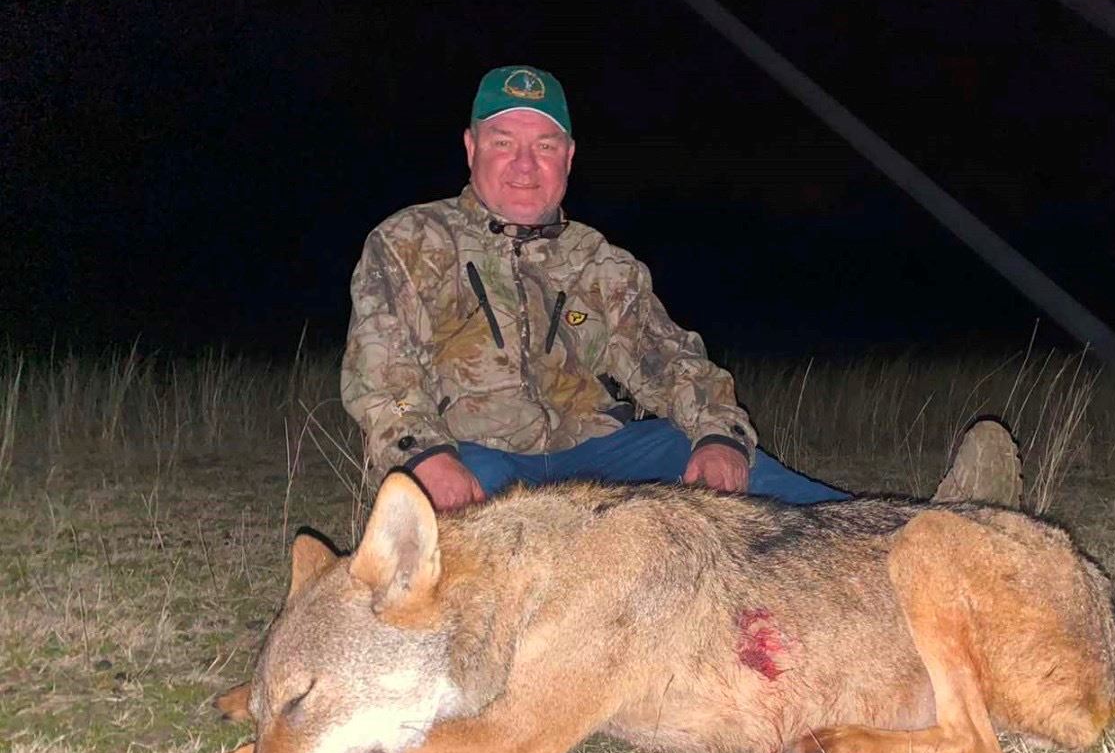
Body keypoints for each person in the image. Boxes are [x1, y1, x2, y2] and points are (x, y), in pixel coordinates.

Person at [342, 65, 1020, 511]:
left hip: (596, 451)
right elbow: (381, 378)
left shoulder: (601, 264)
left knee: (739, 478)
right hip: (474, 454)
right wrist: (425, 456)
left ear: (568, 157)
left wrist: (718, 435)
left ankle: (926, 534)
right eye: (503, 142)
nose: (525, 164)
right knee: (466, 545)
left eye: (544, 146)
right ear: (471, 147)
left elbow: (672, 362)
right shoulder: (408, 242)